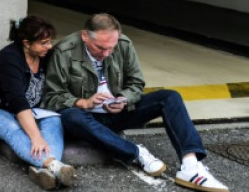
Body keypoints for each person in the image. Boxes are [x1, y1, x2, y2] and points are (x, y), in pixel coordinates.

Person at [43, 13, 229, 192]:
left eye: (111, 48)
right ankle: (136, 153)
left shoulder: (123, 44)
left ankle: (191, 165)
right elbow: (51, 96)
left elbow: (136, 83)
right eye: (100, 48)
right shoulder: (63, 51)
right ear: (85, 35)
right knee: (70, 116)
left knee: (170, 97)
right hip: (86, 119)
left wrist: (124, 99)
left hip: (118, 113)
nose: (106, 53)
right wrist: (83, 102)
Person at [0, 16, 75, 190]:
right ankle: (55, 166)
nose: (49, 47)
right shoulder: (9, 59)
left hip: (32, 109)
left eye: (50, 42)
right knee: (12, 128)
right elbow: (17, 101)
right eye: (44, 43)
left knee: (54, 121)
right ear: (26, 43)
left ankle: (47, 170)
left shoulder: (43, 56)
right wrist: (36, 137)